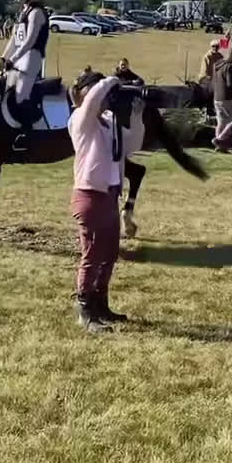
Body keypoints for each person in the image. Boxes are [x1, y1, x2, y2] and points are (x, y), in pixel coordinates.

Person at [68, 70, 145, 332]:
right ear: (83, 93)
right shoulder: (80, 118)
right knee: (92, 253)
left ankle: (100, 303)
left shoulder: (109, 120)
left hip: (110, 194)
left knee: (109, 254)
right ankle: (84, 308)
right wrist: (112, 81)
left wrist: (136, 116)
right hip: (89, 194)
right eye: (95, 89)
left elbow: (132, 145)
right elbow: (90, 103)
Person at [0, 0, 49, 129]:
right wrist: (4, 57)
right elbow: (14, 40)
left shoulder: (37, 13)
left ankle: (28, 133)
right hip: (20, 58)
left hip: (31, 58)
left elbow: (30, 41)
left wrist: (12, 59)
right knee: (4, 93)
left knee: (20, 96)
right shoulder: (23, 13)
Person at [212, 47, 232, 152]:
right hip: (228, 98)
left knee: (221, 121)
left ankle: (220, 147)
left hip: (217, 97)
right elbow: (231, 84)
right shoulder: (229, 67)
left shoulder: (217, 64)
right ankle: (219, 140)